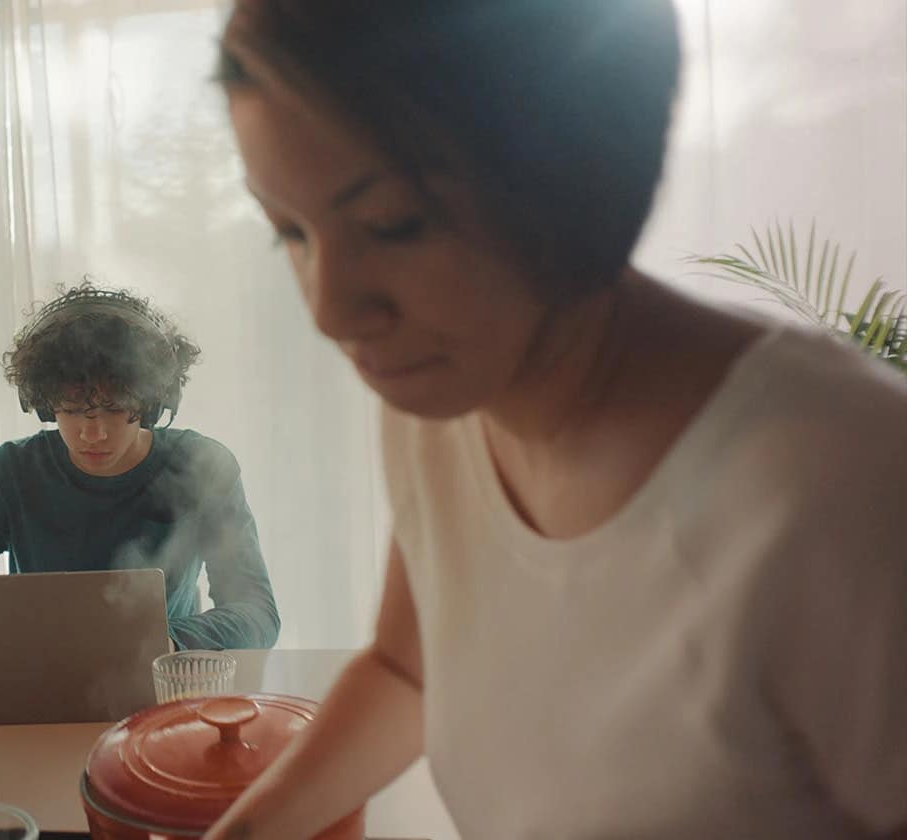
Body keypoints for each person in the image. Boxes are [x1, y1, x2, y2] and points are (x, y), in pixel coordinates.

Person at [203, 1, 907, 838]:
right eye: (289, 230)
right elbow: (407, 671)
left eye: (393, 225)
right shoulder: (441, 402)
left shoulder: (844, 480)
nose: (331, 310)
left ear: (571, 176)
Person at [0, 283, 280, 651]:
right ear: (45, 406)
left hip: (164, 680)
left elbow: (257, 613)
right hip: (40, 685)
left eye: (115, 409)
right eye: (73, 410)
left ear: (152, 403)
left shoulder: (203, 467)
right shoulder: (5, 475)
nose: (92, 433)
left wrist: (169, 643)